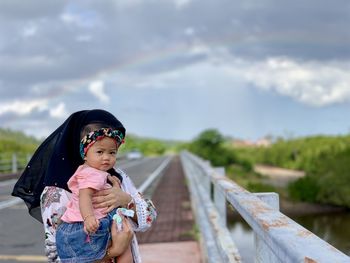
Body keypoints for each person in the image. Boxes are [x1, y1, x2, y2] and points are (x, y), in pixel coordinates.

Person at [12, 109, 157, 263]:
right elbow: (58, 255)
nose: (106, 157)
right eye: (99, 150)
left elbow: (149, 216)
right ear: (81, 147)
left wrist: (127, 200)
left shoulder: (117, 177)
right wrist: (114, 251)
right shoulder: (56, 192)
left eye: (112, 151)